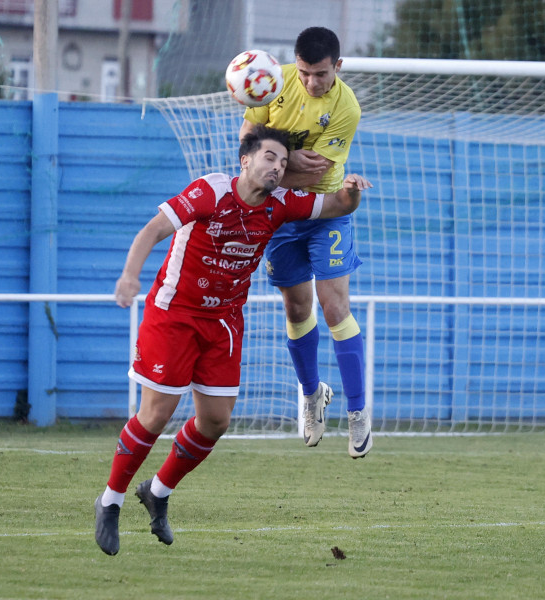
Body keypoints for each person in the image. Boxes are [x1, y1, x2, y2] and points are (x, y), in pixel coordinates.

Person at [94, 125, 372, 555]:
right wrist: (130, 276)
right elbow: (152, 230)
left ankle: (159, 492)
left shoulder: (281, 205)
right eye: (269, 158)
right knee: (156, 414)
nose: (276, 168)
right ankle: (110, 500)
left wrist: (352, 189)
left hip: (223, 322)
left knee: (216, 421)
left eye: (283, 163)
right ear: (245, 160)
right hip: (175, 315)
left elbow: (335, 204)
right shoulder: (211, 191)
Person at [238, 26, 371, 459]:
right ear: (294, 64)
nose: (312, 82)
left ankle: (358, 410)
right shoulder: (270, 86)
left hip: (325, 209)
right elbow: (244, 150)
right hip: (280, 212)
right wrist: (284, 158)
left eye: (321, 74)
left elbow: (306, 173)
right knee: (296, 309)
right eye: (305, 72)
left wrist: (276, 158)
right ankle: (312, 395)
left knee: (334, 307)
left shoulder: (347, 108)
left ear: (338, 67)